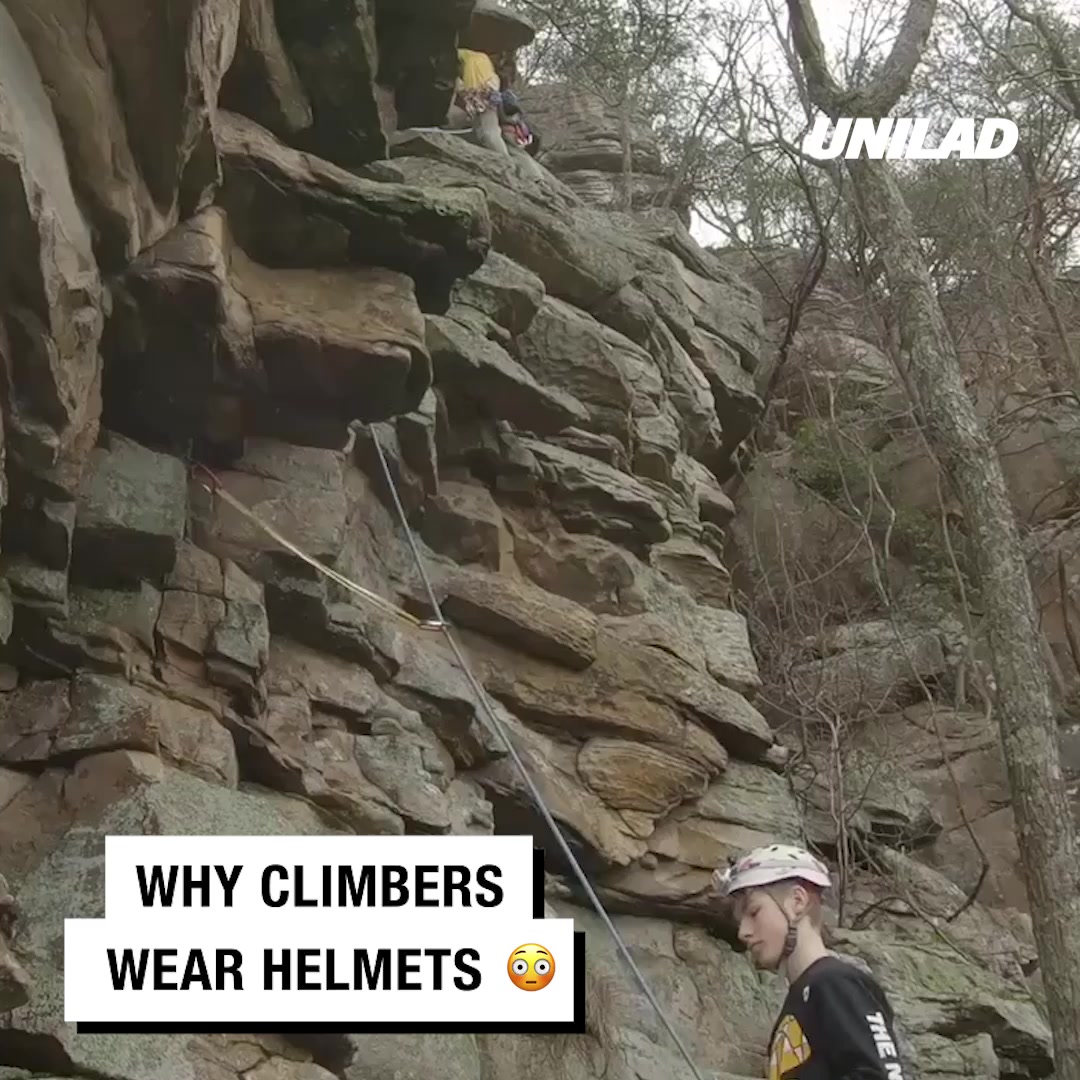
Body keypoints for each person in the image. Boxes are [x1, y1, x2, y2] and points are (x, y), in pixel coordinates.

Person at [713, 844, 908, 1080]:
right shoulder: (804, 997)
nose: (743, 931)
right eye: (741, 920)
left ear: (798, 901)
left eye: (754, 912)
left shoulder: (835, 983)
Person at [452, 47, 509, 156]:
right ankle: (499, 157)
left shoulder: (472, 58)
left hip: (482, 96)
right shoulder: (487, 66)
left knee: (488, 133)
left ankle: (505, 160)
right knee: (483, 132)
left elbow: (464, 88)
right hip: (484, 97)